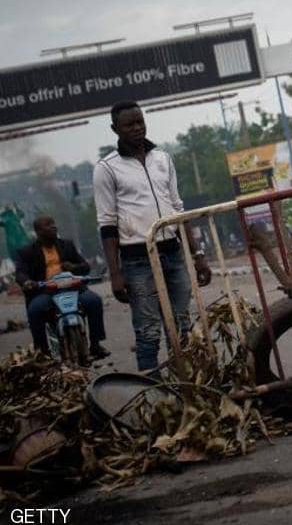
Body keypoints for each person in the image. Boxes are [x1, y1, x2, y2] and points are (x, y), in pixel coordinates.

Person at [94, 101, 211, 371]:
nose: (137, 128)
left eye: (140, 122)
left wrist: (198, 254)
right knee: (148, 331)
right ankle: (152, 391)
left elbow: (178, 209)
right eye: (129, 124)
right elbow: (107, 224)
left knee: (182, 324)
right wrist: (115, 273)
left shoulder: (163, 158)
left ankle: (187, 385)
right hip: (137, 259)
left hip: (173, 252)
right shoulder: (106, 168)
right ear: (115, 129)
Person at [13, 216, 108, 358]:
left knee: (94, 301)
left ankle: (95, 345)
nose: (54, 226)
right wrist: (27, 282)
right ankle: (43, 353)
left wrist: (73, 267)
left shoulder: (67, 245)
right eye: (48, 225)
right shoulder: (27, 252)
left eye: (54, 223)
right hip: (45, 291)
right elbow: (20, 273)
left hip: (72, 288)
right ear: (38, 231)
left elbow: (85, 267)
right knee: (35, 310)